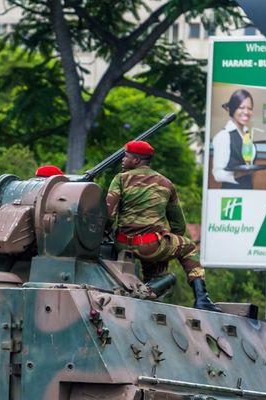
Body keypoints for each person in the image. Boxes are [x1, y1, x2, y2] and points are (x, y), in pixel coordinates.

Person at [106, 140, 221, 312]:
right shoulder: (166, 183)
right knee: (188, 246)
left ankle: (148, 291)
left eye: (126, 156)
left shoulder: (120, 179)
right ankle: (202, 299)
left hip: (122, 246)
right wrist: (165, 244)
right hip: (151, 246)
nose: (123, 159)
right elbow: (179, 225)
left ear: (136, 160)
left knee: (154, 262)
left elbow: (109, 215)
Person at [212, 89, 255, 189]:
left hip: (248, 190)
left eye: (250, 108)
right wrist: (238, 174)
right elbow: (217, 174)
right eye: (241, 107)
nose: (246, 112)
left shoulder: (246, 134)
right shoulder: (224, 136)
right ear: (233, 109)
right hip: (231, 195)